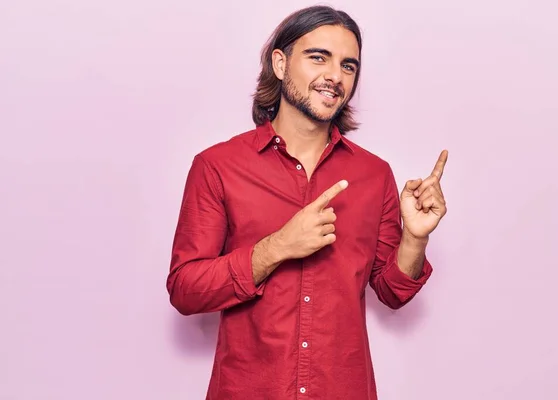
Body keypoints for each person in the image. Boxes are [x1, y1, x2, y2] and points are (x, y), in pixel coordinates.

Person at [166, 5, 448, 400]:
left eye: (348, 66)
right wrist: (277, 247)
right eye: (319, 57)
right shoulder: (218, 167)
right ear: (280, 64)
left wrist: (415, 239)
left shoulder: (374, 175)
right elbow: (185, 290)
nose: (334, 76)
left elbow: (392, 291)